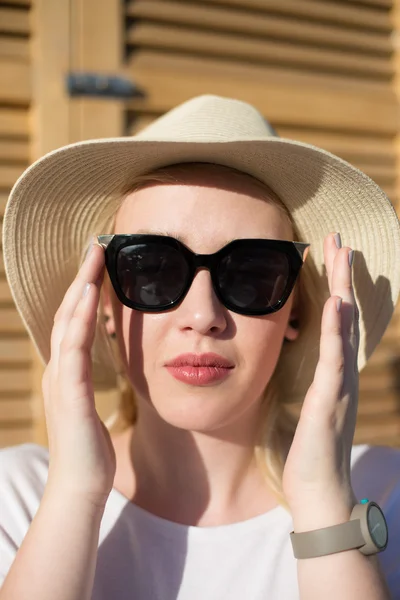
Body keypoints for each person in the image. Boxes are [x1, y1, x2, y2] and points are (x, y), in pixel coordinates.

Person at [0, 95, 399, 600]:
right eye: (151, 268)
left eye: (253, 273)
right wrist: (75, 495)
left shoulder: (384, 494)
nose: (202, 317)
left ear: (296, 311)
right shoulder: (16, 496)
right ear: (101, 305)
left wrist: (324, 504)